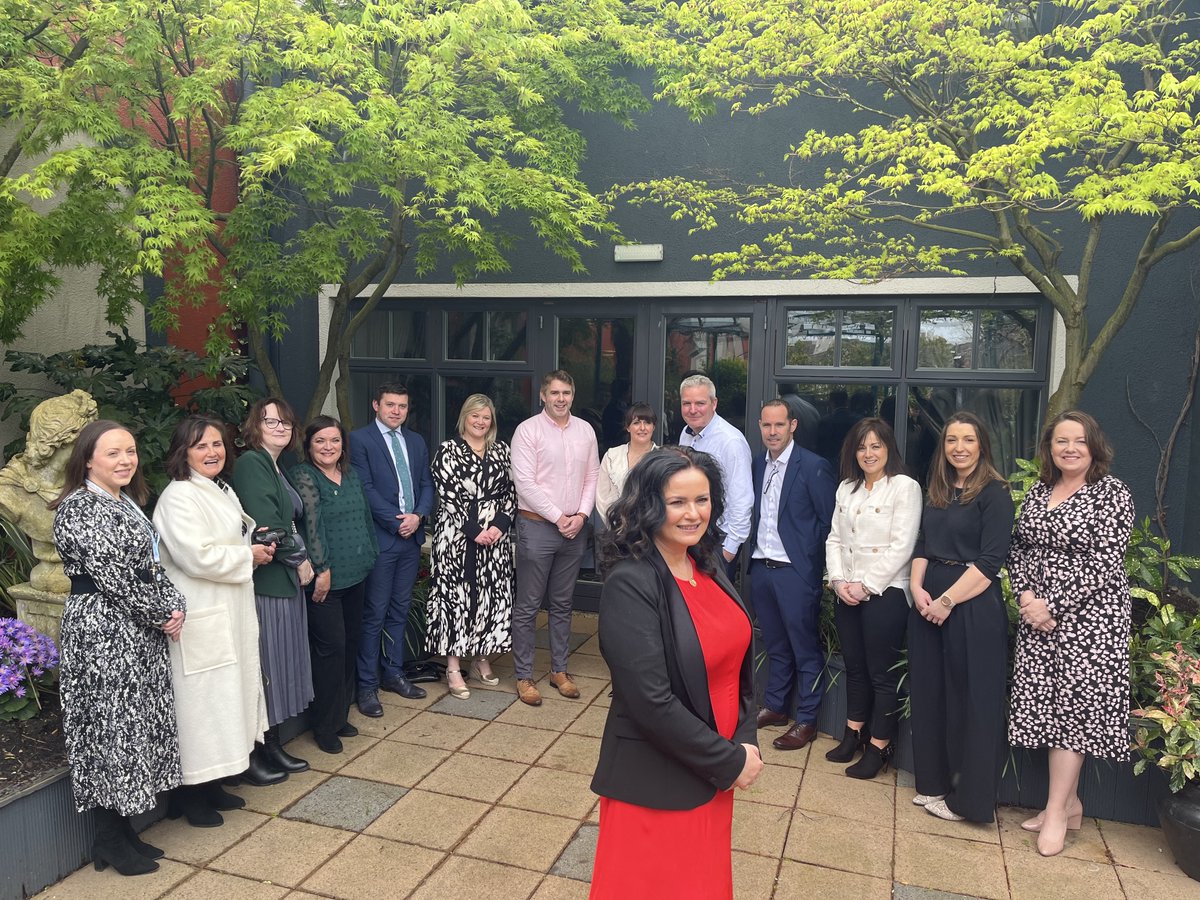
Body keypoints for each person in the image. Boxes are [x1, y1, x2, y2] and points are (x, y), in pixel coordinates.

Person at [590, 448, 762, 899]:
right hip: (658, 781)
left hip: (712, 769)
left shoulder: (705, 563)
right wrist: (729, 762)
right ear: (648, 505)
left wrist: (745, 739)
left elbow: (737, 665)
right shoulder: (631, 582)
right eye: (678, 502)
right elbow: (651, 701)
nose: (693, 514)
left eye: (702, 500)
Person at [51, 420, 186, 876]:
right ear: (88, 459)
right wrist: (162, 611)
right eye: (113, 453)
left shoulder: (124, 501)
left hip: (136, 629)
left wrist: (174, 605)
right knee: (111, 728)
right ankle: (107, 839)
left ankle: (122, 830)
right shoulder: (80, 508)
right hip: (103, 631)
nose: (126, 460)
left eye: (130, 451)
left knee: (133, 725)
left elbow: (149, 564)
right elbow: (116, 579)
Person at [1007, 411, 1135, 857]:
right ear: (1050, 447)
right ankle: (1070, 803)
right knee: (1050, 709)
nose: (1070, 448)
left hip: (1089, 622)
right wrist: (1026, 599)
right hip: (1038, 619)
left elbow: (1105, 563)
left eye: (1079, 441)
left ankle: (1056, 811)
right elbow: (1019, 547)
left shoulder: (1111, 493)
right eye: (1061, 441)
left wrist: (1052, 605)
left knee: (1074, 714)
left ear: (1094, 447)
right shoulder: (1041, 491)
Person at [153, 416, 273, 827]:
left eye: (217, 444)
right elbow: (195, 556)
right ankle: (190, 796)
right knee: (201, 704)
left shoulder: (219, 488)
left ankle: (214, 782)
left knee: (226, 698)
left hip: (229, 606)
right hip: (200, 609)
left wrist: (254, 544)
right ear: (183, 452)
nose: (212, 452)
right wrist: (248, 556)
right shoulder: (179, 497)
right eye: (201, 446)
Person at [908, 410, 1014, 823]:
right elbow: (923, 543)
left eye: (968, 440)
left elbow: (990, 563)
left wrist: (946, 602)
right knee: (931, 694)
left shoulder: (995, 493)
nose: (959, 448)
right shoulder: (937, 488)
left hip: (970, 607)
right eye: (952, 440)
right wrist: (917, 589)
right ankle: (933, 784)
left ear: (981, 445)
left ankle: (968, 801)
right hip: (927, 602)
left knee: (972, 704)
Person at [824, 417, 922, 778]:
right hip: (846, 591)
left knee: (881, 674)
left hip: (886, 593)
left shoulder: (904, 487)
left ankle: (879, 746)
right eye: (862, 446)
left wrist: (865, 585)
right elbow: (834, 538)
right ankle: (853, 733)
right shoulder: (846, 488)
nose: (868, 453)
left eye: (876, 445)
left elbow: (903, 546)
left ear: (888, 449)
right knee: (855, 668)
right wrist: (837, 580)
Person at [232, 398, 315, 776]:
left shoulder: (275, 465)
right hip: (269, 582)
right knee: (269, 666)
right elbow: (267, 526)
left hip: (282, 579)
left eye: (286, 422)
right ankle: (265, 748)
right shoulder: (252, 463)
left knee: (279, 665)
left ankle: (273, 744)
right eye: (271, 421)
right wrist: (301, 561)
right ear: (255, 425)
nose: (280, 427)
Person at [748, 399, 836, 752]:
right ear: (760, 426)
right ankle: (777, 706)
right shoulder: (757, 465)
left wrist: (811, 565)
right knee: (775, 644)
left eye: (779, 425)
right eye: (766, 426)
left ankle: (807, 719)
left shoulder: (814, 467)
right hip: (761, 567)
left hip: (795, 572)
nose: (772, 432)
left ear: (793, 426)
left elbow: (828, 522)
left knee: (804, 649)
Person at [510, 369, 599, 706]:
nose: (561, 399)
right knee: (529, 605)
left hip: (574, 529)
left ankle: (559, 670)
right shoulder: (527, 431)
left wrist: (582, 515)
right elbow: (525, 483)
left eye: (567, 393)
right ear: (543, 396)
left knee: (563, 604)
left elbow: (592, 475)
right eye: (555, 393)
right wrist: (560, 517)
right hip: (537, 527)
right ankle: (524, 676)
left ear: (572, 395)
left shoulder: (585, 431)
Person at [290, 416, 379, 753]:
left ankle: (341, 716)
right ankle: (324, 725)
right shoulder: (304, 475)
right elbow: (311, 526)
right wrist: (322, 568)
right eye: (320, 441)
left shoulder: (350, 473)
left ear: (343, 444)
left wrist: (372, 553)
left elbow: (364, 517)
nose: (328, 447)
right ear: (309, 445)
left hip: (357, 573)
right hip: (327, 581)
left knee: (350, 646)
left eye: (335, 441)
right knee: (330, 650)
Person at [349, 382, 435, 715]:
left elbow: (426, 483)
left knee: (399, 610)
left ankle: (393, 673)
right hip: (383, 540)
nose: (396, 411)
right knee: (375, 614)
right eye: (390, 405)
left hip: (410, 541)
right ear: (376, 405)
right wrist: (395, 520)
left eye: (402, 405)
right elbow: (364, 487)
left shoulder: (414, 441)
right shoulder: (360, 440)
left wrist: (418, 516)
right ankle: (367, 686)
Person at [426, 394, 516, 699]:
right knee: (457, 598)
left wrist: (499, 526)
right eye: (475, 416)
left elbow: (511, 492)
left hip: (495, 540)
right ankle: (453, 666)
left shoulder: (501, 449)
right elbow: (447, 495)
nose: (480, 422)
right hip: (457, 538)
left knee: (489, 598)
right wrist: (474, 530)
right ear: (464, 417)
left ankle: (480, 658)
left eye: (486, 417)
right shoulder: (447, 451)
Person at [678, 374, 753, 579]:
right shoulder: (686, 434)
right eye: (687, 403)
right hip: (690, 533)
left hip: (717, 541)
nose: (693, 410)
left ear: (714, 403)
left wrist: (729, 550)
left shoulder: (731, 442)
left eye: (700, 403)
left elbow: (742, 498)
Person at [595, 402, 658, 525]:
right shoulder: (611, 456)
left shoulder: (663, 457)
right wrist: (616, 525)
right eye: (636, 423)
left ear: (653, 427)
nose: (642, 428)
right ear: (628, 427)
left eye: (647, 423)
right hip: (616, 530)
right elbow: (602, 497)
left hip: (653, 531)